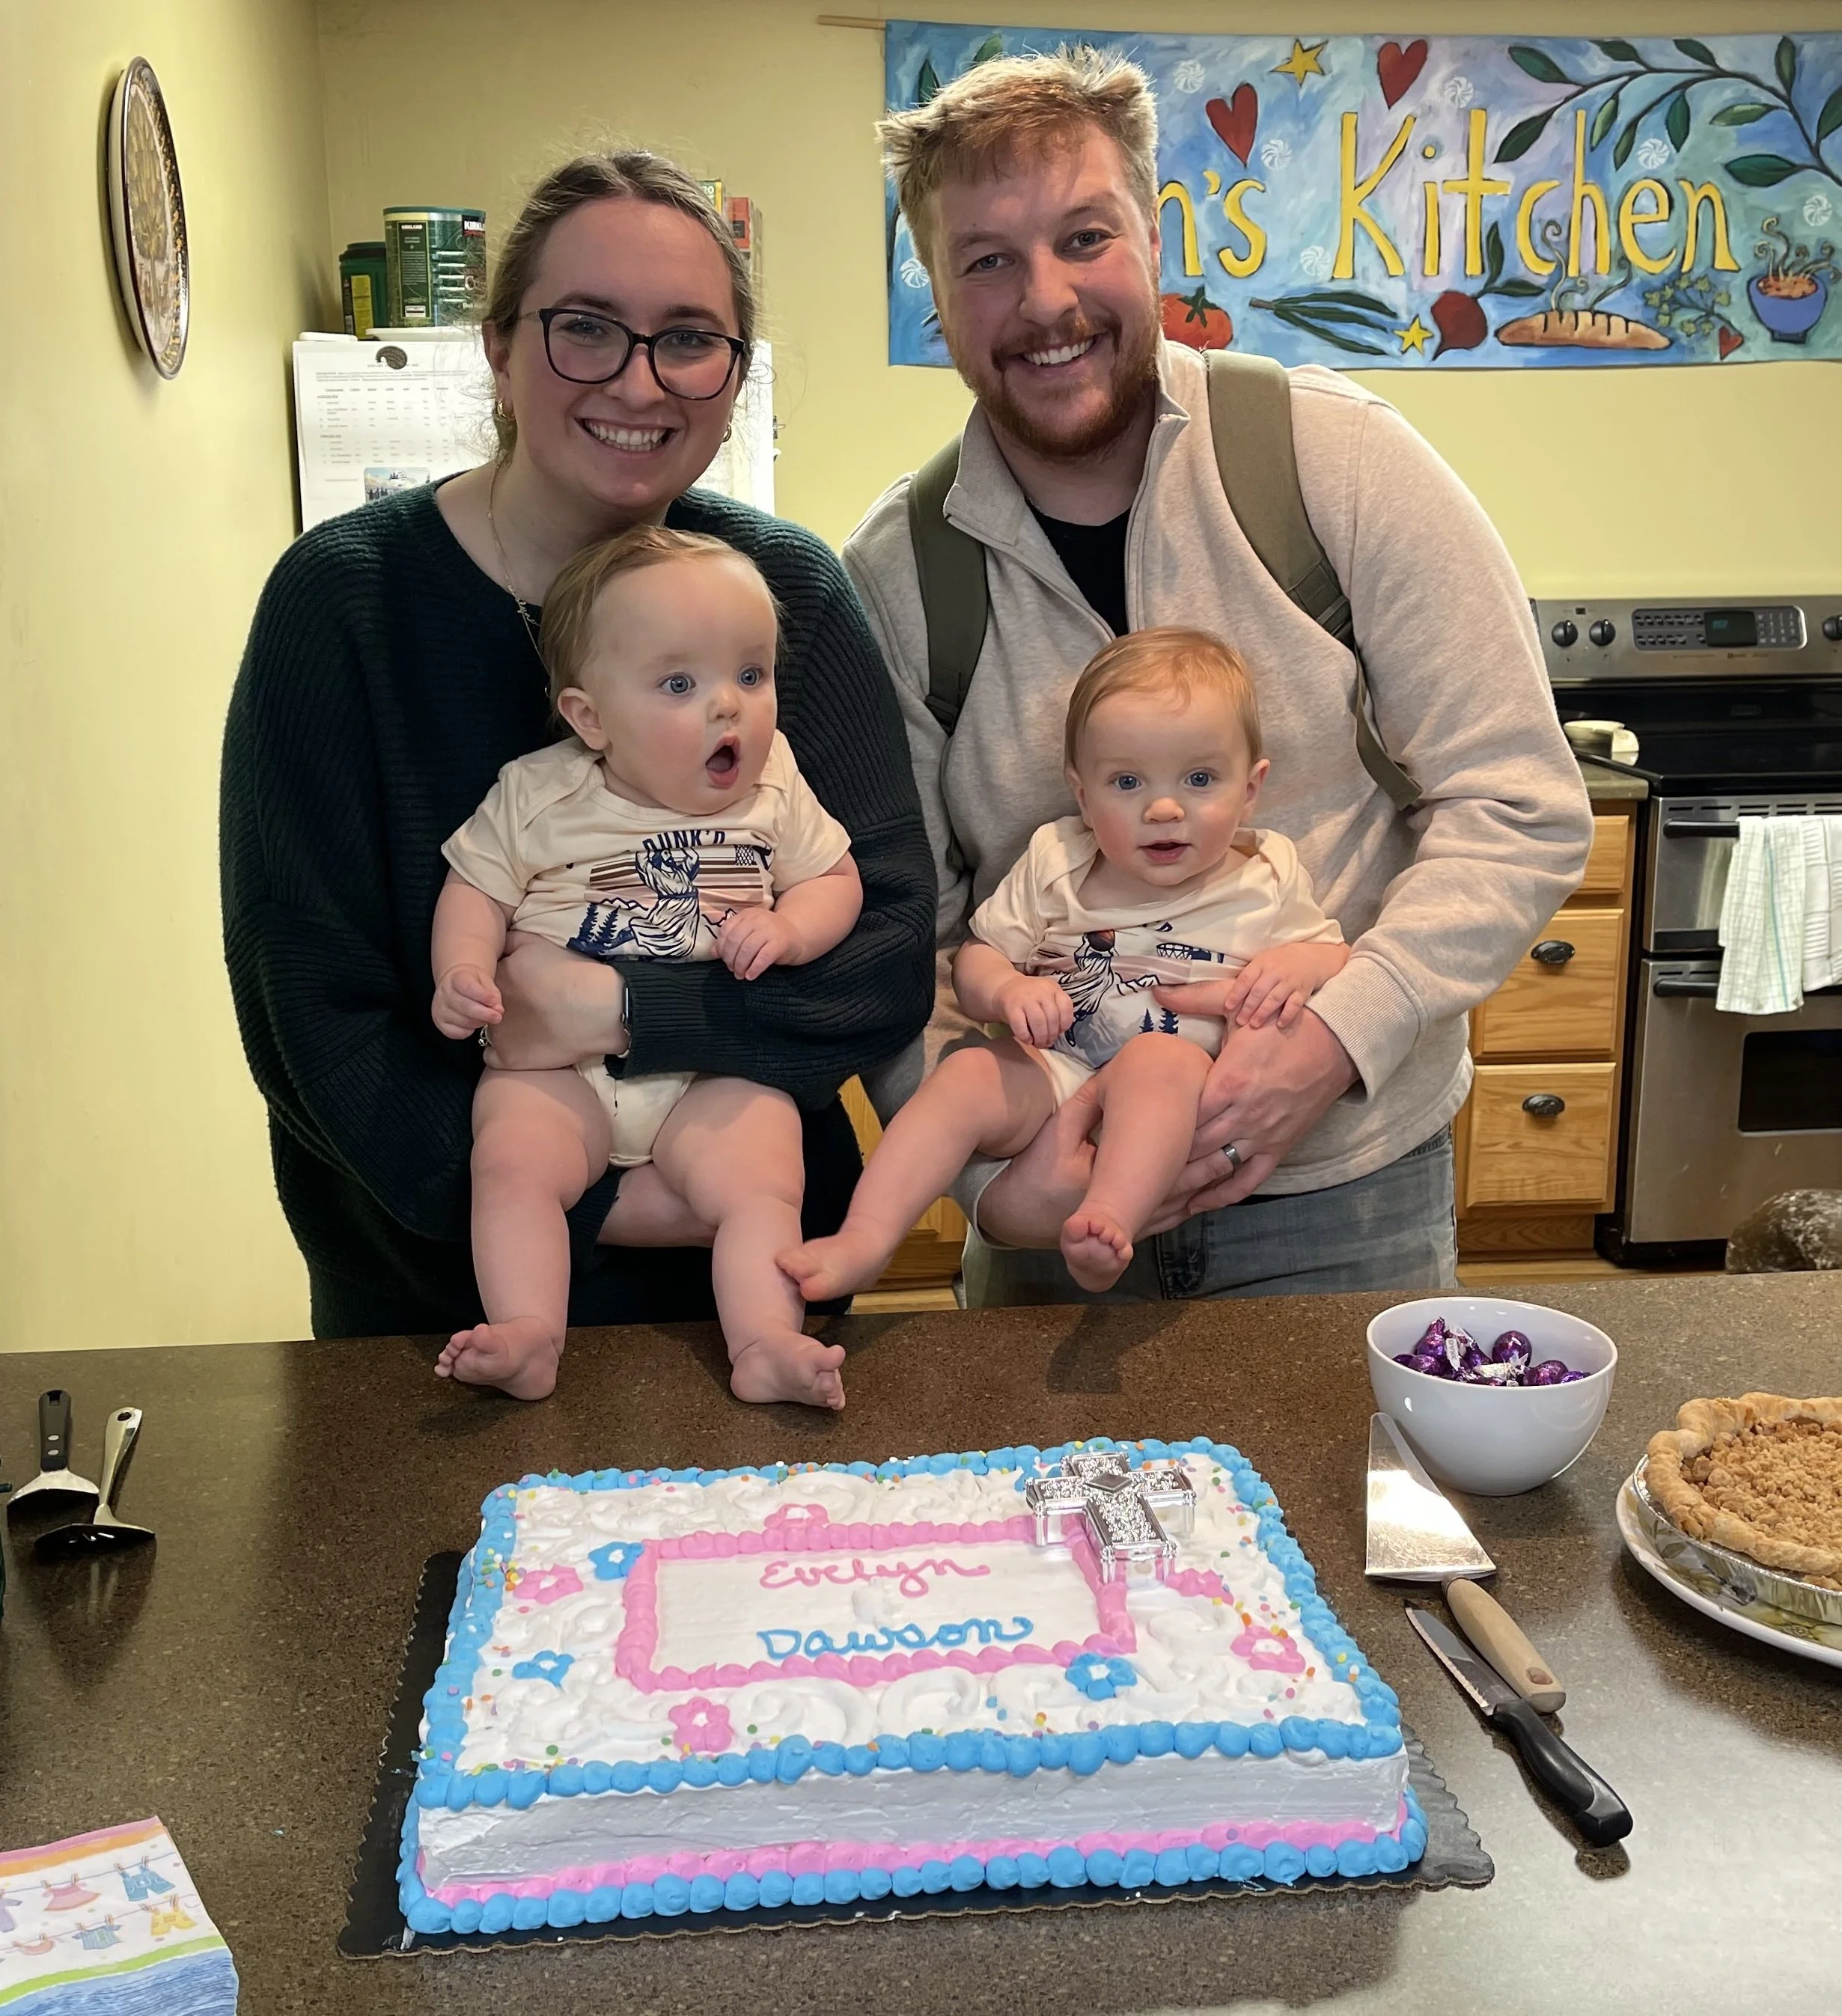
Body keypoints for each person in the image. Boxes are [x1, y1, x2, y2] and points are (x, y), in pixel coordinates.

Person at [846, 49, 1594, 1301]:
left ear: (1154, 234)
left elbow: (1515, 803)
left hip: (1344, 1202)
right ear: (936, 290)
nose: (1045, 299)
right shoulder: (894, 575)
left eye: (1085, 236)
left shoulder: (1336, 462)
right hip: (1052, 1209)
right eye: (986, 259)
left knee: (1337, 1506)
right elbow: (894, 932)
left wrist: (1339, 1036)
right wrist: (994, 1184)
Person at [222, 151, 934, 1342]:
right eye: (585, 329)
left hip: (756, 1299)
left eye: (689, 338)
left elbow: (882, 958)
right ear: (499, 347)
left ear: (733, 376)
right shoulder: (341, 604)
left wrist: (621, 1011)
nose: (639, 381)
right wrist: (601, 1202)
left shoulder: (786, 599)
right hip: (438, 1315)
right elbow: (311, 1021)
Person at [784, 627, 1346, 1301]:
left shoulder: (1266, 873)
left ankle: (1107, 1218)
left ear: (1250, 787)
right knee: (966, 1073)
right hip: (1058, 1069)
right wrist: (1005, 991)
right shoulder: (1057, 859)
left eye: (1200, 779)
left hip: (1186, 1094)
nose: (1163, 808)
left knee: (1156, 1062)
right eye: (1126, 781)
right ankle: (866, 1238)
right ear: (1081, 794)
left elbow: (1334, 952)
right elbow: (978, 956)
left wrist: (1299, 964)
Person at [433, 527, 860, 1406]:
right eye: (679, 684)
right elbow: (474, 888)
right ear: (590, 718)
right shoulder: (538, 792)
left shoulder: (776, 783)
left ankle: (767, 1344)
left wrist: (789, 930)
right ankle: (528, 1332)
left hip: (711, 1075)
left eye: (751, 675)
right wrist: (465, 970)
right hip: (557, 1070)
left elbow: (836, 879)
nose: (728, 708)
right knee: (513, 1166)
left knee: (764, 1185)